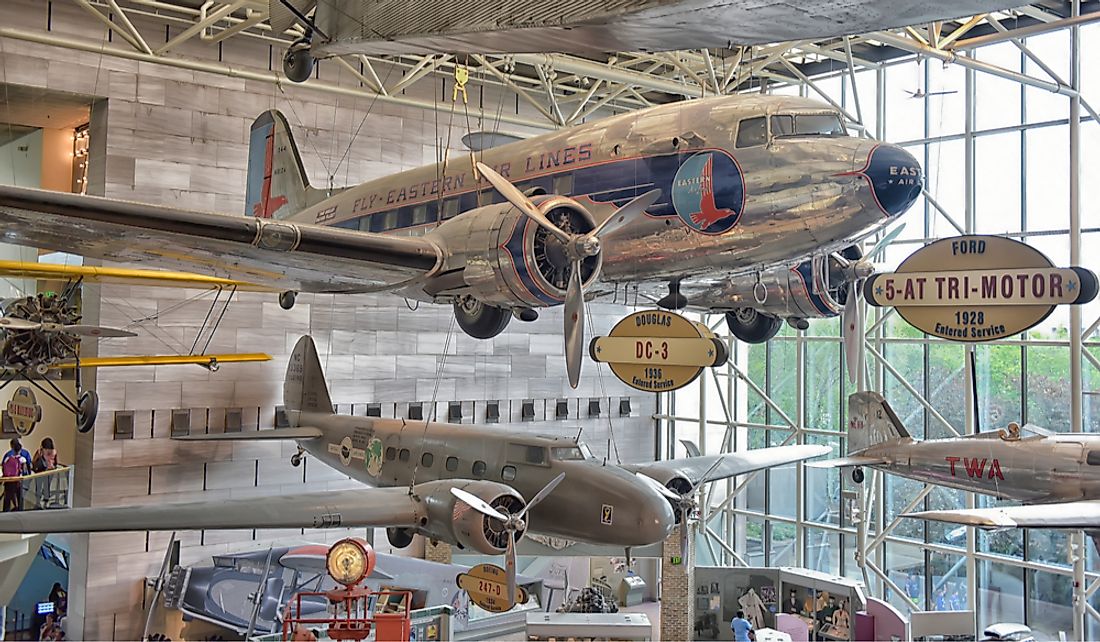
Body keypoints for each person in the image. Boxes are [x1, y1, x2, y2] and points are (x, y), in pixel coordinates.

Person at [2, 438, 30, 512]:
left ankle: (6, 512)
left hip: (9, 481)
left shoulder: (7, 457)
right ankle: (20, 510)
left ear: (12, 447)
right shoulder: (23, 459)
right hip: (18, 481)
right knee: (19, 497)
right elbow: (25, 470)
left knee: (7, 499)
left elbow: (3, 468)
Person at [33, 437, 59, 507]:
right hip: (50, 471)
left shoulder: (41, 451)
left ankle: (38, 501)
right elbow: (56, 462)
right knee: (47, 485)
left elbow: (34, 460)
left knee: (38, 485)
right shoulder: (54, 451)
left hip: (41, 471)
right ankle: (46, 500)